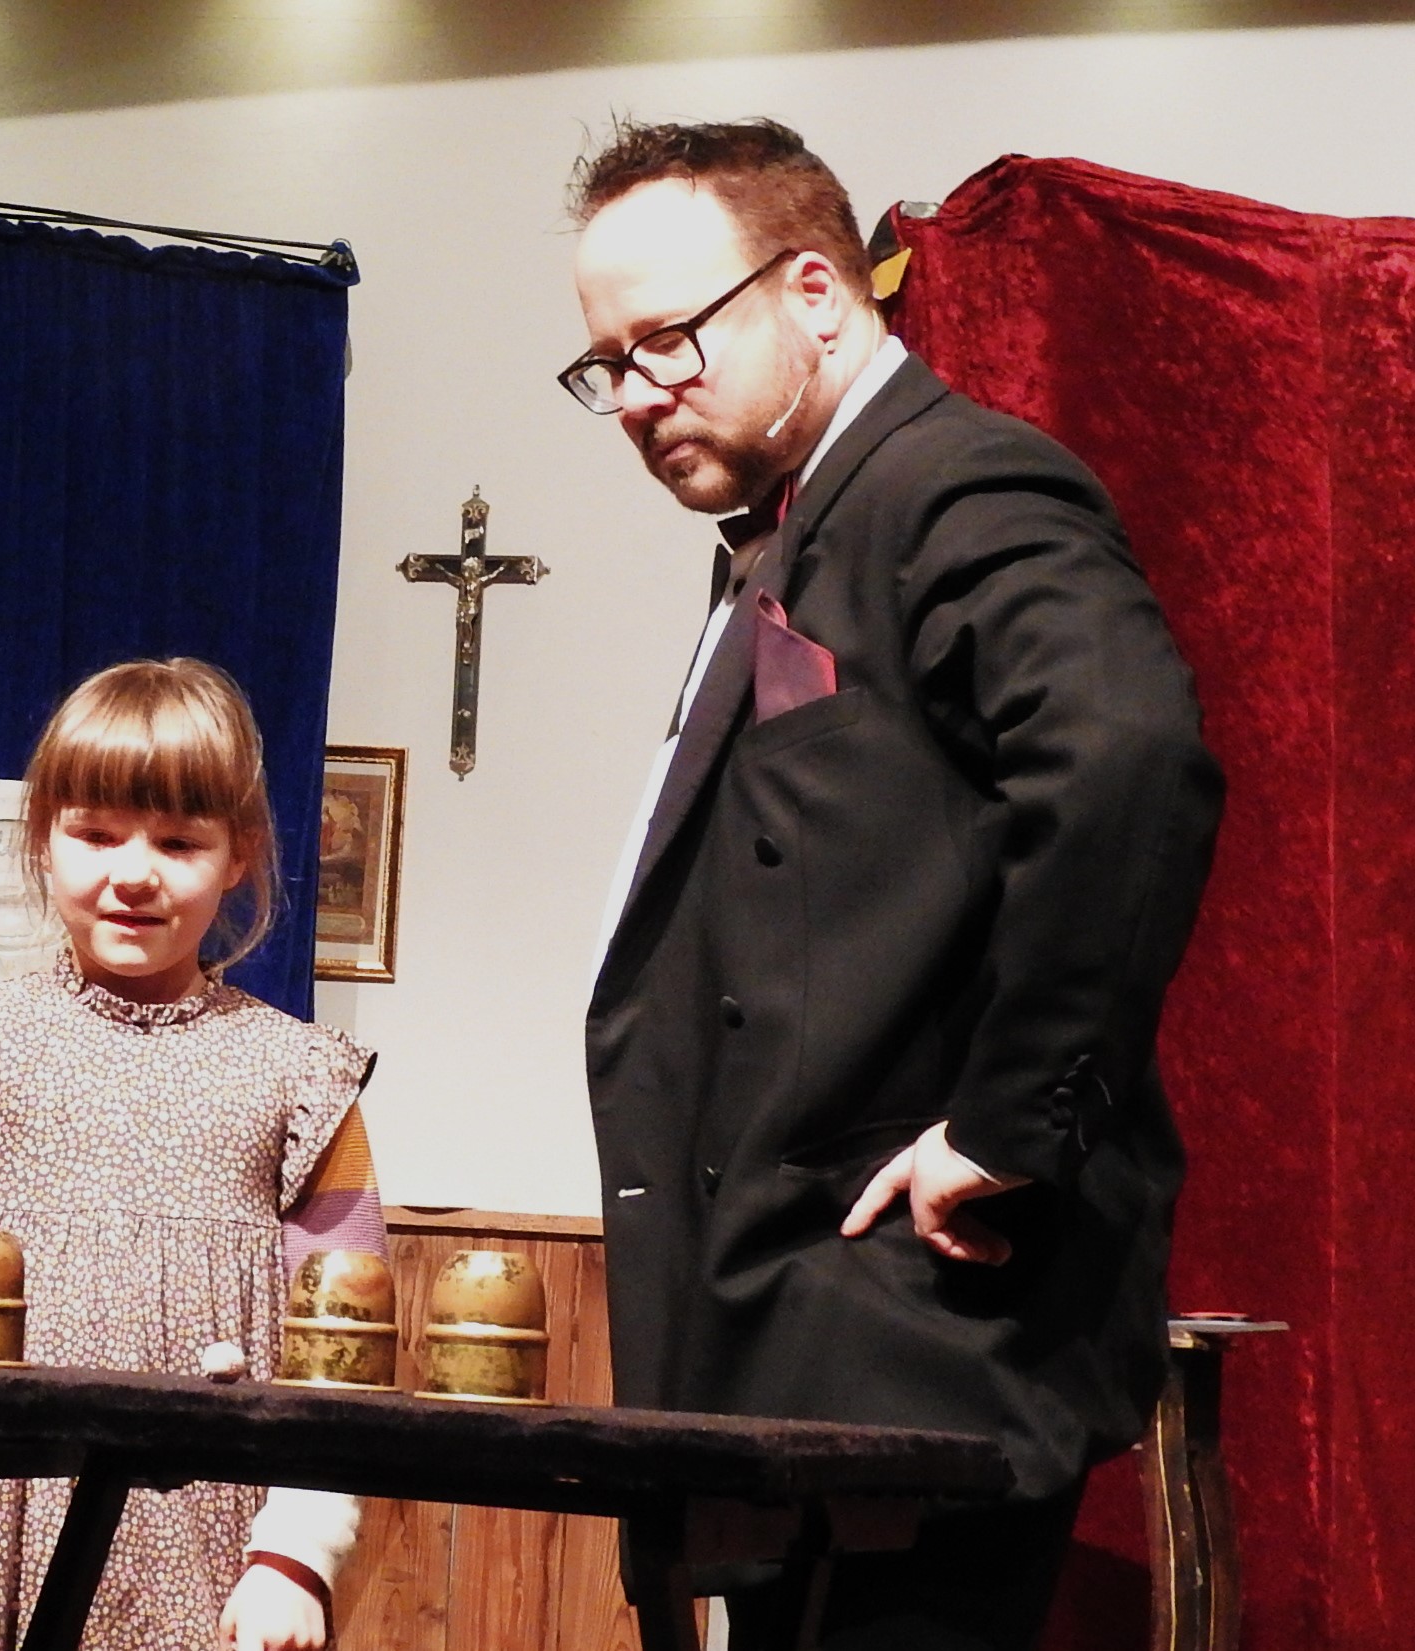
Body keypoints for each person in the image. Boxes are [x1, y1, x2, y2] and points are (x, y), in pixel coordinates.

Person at [564, 120, 1224, 1650]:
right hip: (800, 1339)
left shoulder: (957, 481)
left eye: (668, 339)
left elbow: (1129, 757)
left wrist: (1008, 1125)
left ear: (816, 292)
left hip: (915, 1329)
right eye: (606, 364)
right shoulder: (799, 529)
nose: (638, 392)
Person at [0, 657, 386, 1651]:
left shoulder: (301, 1075)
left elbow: (348, 1350)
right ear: (43, 841)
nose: (133, 872)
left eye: (178, 841)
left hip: (198, 1535)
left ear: (239, 855)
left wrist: (295, 1555)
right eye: (96, 833)